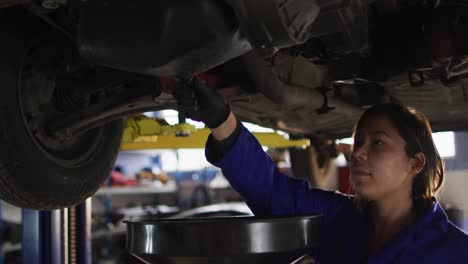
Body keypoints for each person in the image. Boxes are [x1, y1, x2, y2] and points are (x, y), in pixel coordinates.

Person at [178, 79, 468, 263]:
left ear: (415, 164)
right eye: (358, 143)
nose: (358, 154)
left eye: (377, 143)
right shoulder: (339, 219)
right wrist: (221, 119)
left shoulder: (455, 252)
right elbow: (270, 190)